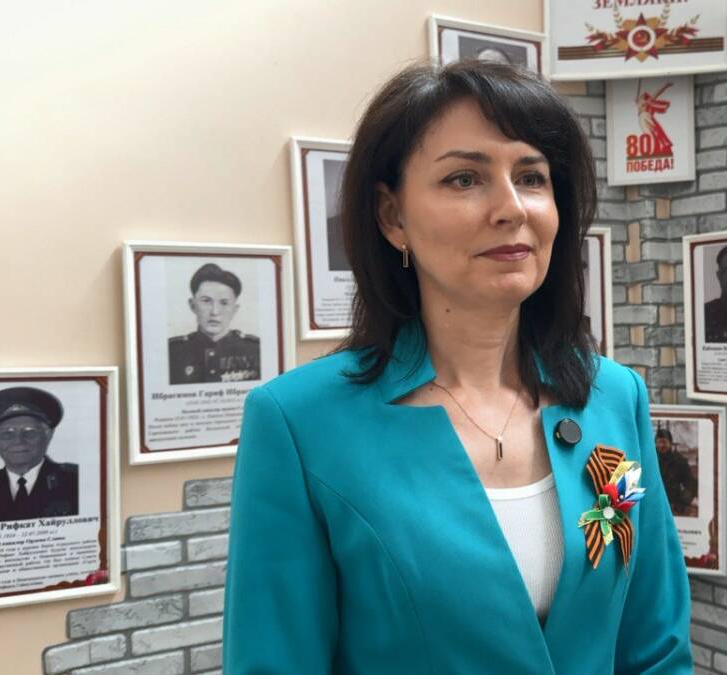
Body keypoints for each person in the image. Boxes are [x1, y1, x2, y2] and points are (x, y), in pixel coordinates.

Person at [223, 60, 691, 674]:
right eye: (465, 178)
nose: (511, 207)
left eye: (531, 177)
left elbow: (656, 649)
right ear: (392, 217)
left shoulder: (614, 395)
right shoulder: (299, 422)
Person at [0, 386, 79, 525]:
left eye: (30, 432)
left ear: (48, 435)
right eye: (7, 434)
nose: (18, 441)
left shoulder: (75, 481)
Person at [168, 263, 261, 384]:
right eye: (206, 301)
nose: (215, 312)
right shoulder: (172, 352)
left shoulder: (256, 349)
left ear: (234, 309)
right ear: (192, 305)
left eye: (224, 303)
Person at [655, 426, 696, 516]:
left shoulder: (680, 461)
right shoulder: (651, 460)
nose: (662, 445)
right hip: (654, 503)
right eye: (659, 442)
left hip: (674, 505)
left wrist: (684, 501)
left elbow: (690, 484)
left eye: (664, 442)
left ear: (670, 443)